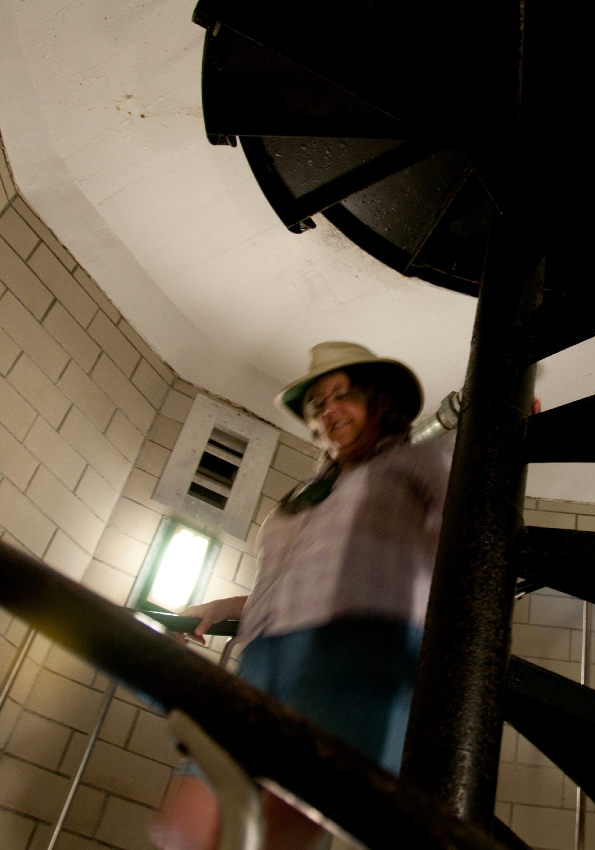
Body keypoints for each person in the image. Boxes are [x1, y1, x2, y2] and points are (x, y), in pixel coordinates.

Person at [150, 341, 452, 850]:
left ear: (380, 400)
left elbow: (468, 552)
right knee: (187, 826)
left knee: (278, 828)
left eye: (342, 396)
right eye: (318, 405)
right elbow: (286, 588)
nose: (329, 411)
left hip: (357, 656)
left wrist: (503, 452)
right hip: (264, 659)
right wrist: (220, 608)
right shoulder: (304, 495)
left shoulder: (421, 464)